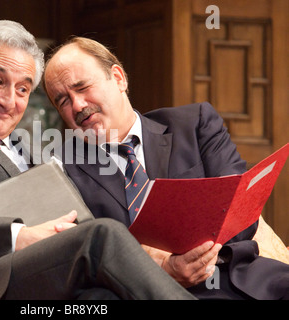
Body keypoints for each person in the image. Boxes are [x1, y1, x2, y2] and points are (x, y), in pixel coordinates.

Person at [0, 20, 195, 300]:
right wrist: (19, 236)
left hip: (61, 275)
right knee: (102, 235)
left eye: (23, 89)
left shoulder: (37, 150)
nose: (9, 100)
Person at [43, 36, 289, 300]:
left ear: (118, 78)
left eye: (82, 88)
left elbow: (241, 208)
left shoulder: (195, 124)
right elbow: (83, 260)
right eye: (63, 101)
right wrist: (161, 267)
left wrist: (198, 255)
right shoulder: (61, 170)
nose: (78, 105)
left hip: (241, 277)